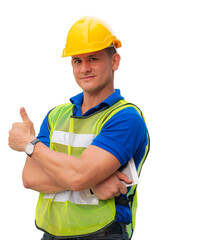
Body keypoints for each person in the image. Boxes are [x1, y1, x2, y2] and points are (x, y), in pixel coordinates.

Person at [8, 16, 150, 240]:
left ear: (115, 61)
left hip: (104, 233)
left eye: (93, 59)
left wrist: (30, 145)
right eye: (77, 61)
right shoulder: (57, 115)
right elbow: (30, 178)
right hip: (51, 233)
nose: (84, 68)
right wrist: (92, 185)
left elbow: (79, 176)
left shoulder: (125, 118)